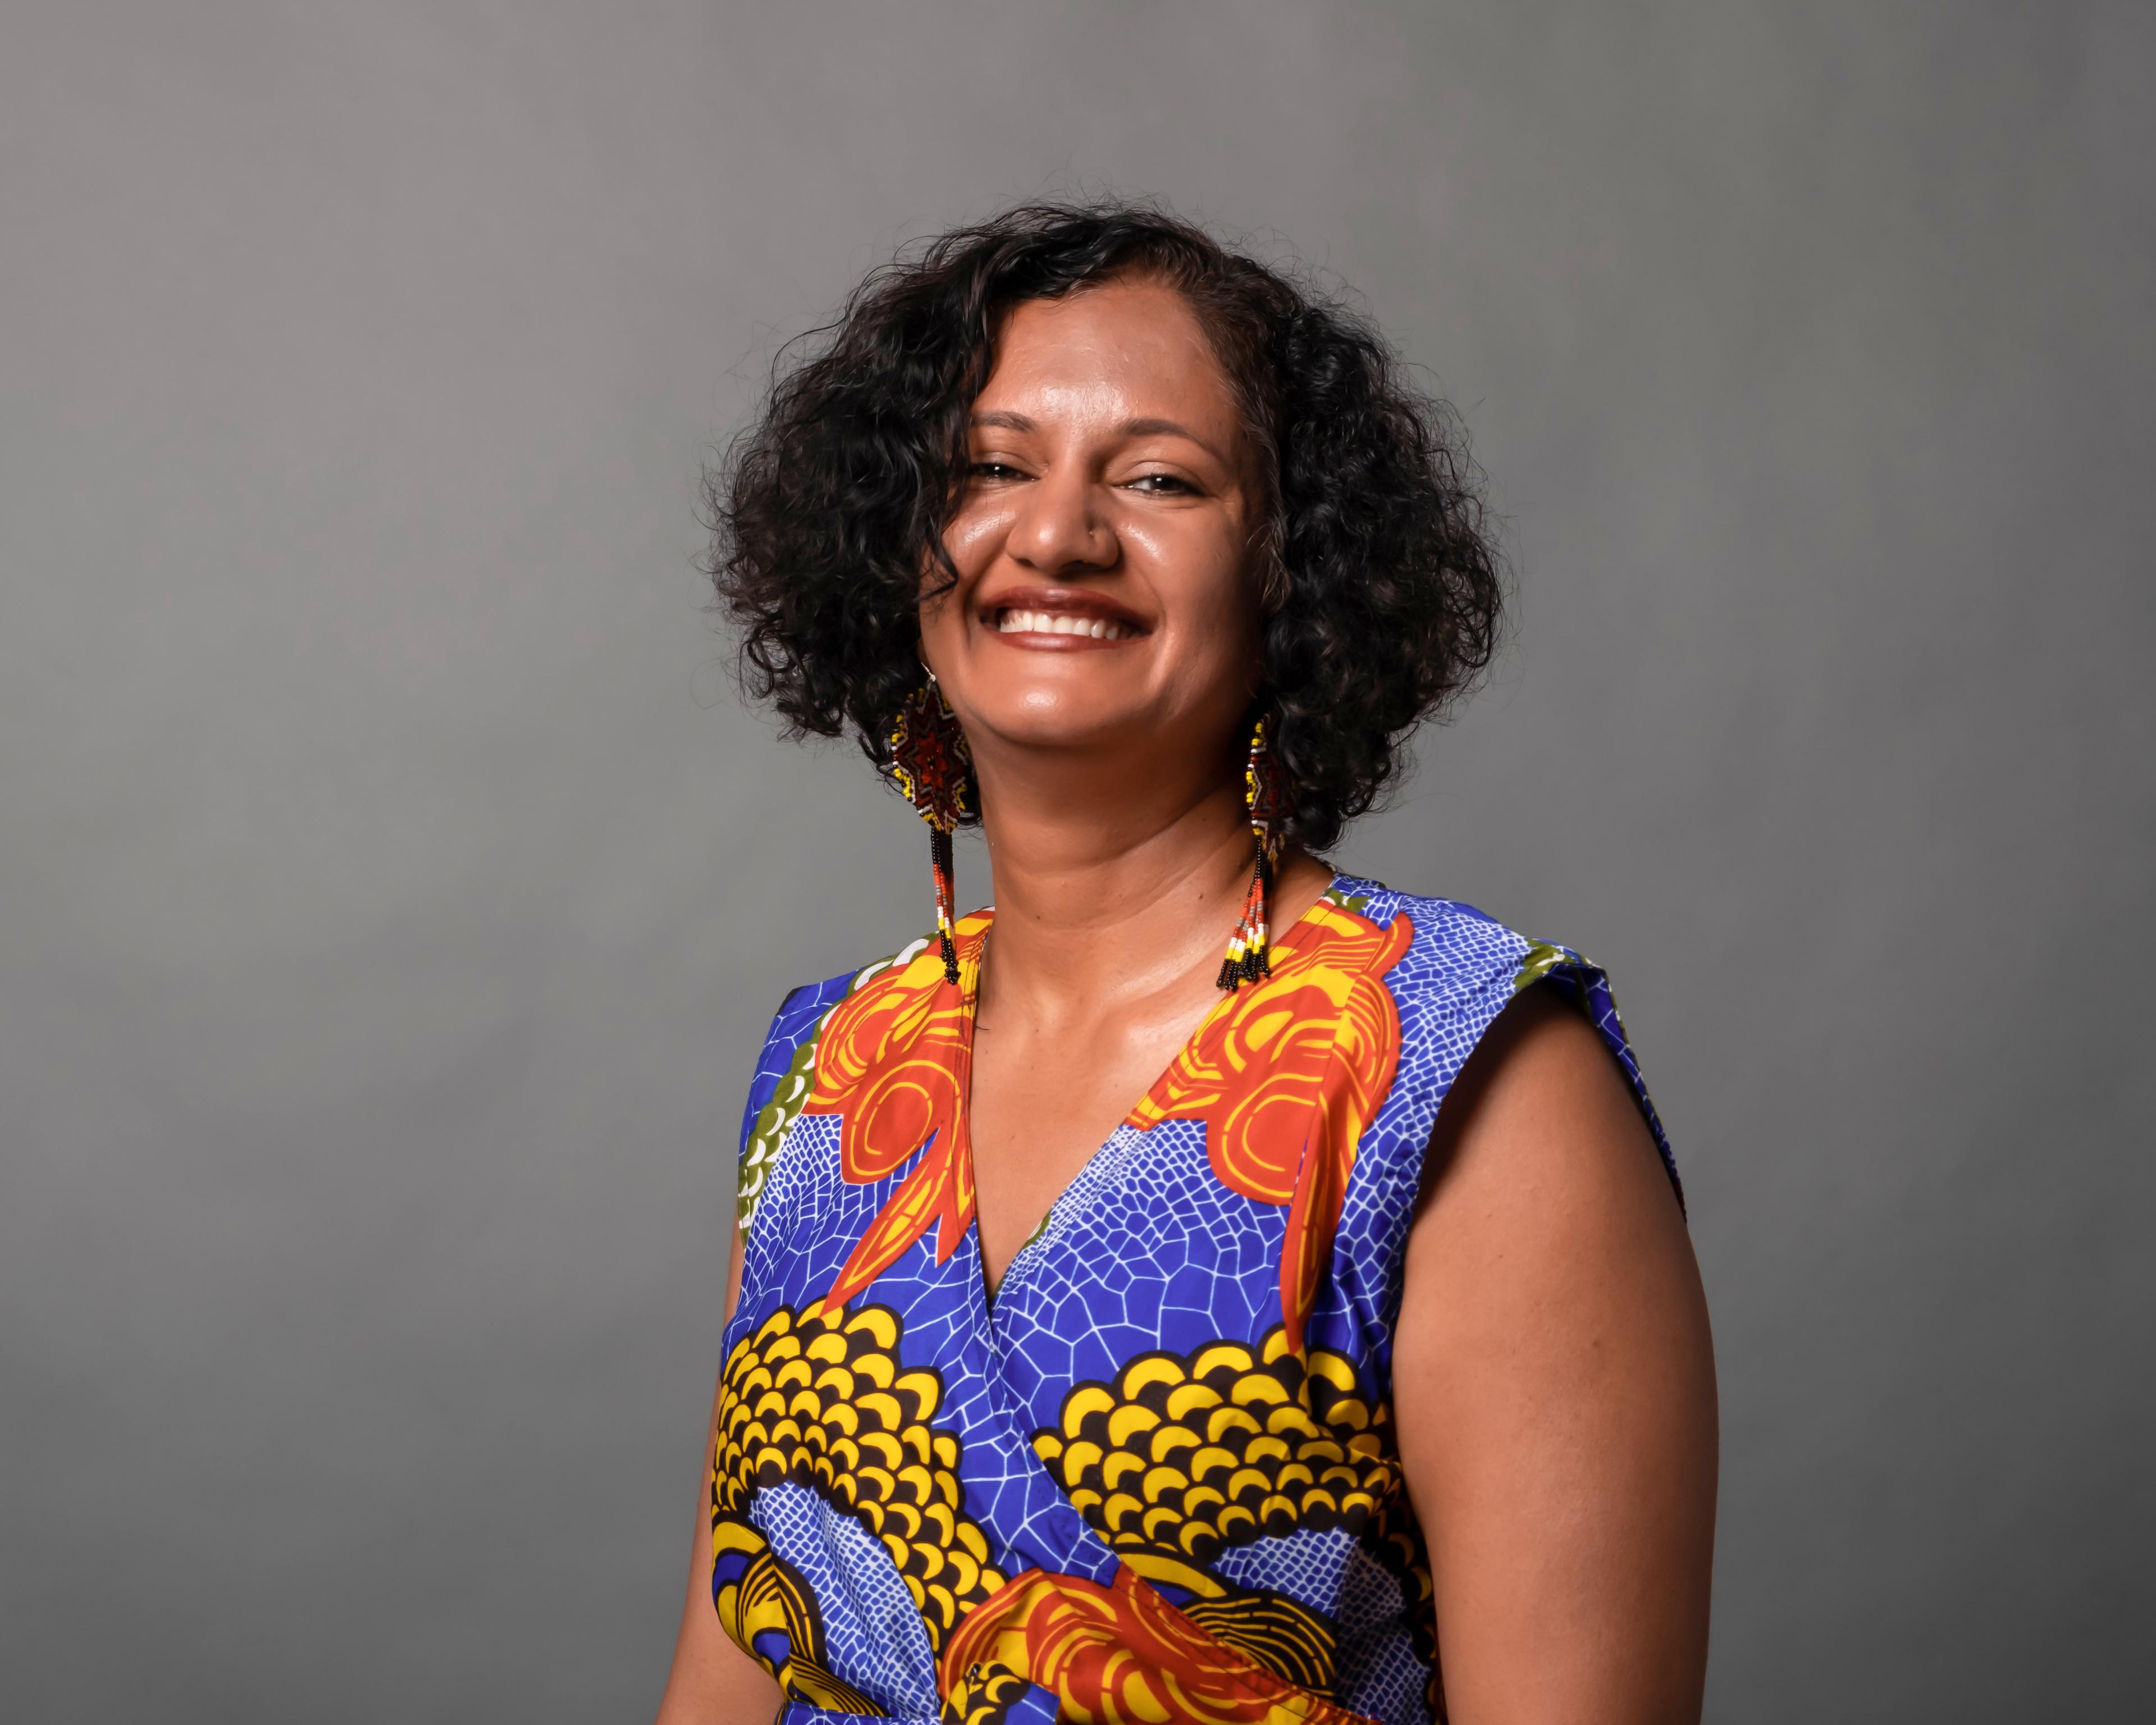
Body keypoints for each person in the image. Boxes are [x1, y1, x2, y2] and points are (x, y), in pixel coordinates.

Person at [655, 204, 1716, 1725]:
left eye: (1159, 478)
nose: (1058, 535)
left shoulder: (1467, 1073)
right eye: (988, 470)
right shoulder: (830, 1065)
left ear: (1292, 570)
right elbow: (734, 1664)